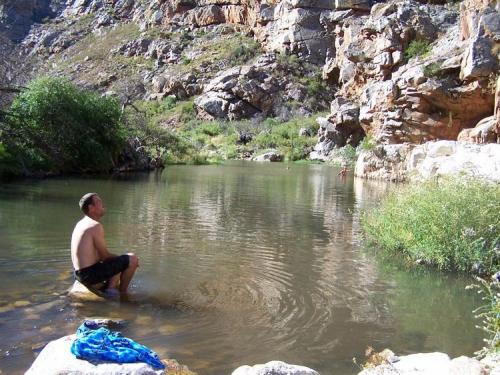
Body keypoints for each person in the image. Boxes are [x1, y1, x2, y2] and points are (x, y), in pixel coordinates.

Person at [71, 193, 138, 296]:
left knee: (119, 260)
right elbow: (105, 257)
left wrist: (120, 259)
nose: (103, 204)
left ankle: (109, 288)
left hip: (80, 274)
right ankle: (122, 293)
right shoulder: (94, 226)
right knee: (132, 259)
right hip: (89, 275)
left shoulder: (81, 223)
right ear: (91, 207)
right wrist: (126, 259)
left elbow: (98, 256)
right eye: (99, 202)